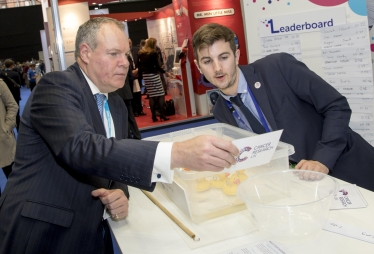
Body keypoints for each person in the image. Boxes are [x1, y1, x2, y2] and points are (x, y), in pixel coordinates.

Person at [0, 18, 239, 254]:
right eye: (114, 54)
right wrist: (178, 153)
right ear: (85, 53)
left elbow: (114, 159)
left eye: (126, 55)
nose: (125, 63)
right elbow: (82, 148)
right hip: (43, 234)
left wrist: (120, 194)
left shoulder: (115, 102)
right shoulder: (57, 86)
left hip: (91, 233)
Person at [192, 23, 374, 192]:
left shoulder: (277, 67)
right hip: (304, 188)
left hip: (350, 170)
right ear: (198, 66)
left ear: (237, 56)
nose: (217, 69)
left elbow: (337, 106)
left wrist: (321, 160)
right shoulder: (221, 112)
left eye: (223, 57)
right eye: (207, 61)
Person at [138, 38, 171, 122]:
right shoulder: (153, 53)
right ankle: (162, 115)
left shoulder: (141, 53)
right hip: (154, 75)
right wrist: (165, 72)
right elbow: (157, 66)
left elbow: (140, 66)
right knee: (161, 94)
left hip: (146, 76)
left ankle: (153, 116)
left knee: (152, 95)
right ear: (153, 44)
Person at [115, 56, 141, 139]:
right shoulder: (125, 62)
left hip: (116, 94)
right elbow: (130, 77)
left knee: (120, 117)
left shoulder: (110, 65)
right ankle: (137, 136)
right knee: (130, 116)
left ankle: (128, 137)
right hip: (126, 93)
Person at [0, 79, 18, 179]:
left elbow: (12, 105)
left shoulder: (0, 83)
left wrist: (7, 127)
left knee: (12, 176)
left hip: (2, 137)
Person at [128, 38, 146, 117]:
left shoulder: (136, 50)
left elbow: (141, 61)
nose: (129, 44)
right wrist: (131, 72)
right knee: (132, 94)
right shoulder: (123, 53)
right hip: (130, 77)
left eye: (130, 43)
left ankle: (140, 110)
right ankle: (134, 110)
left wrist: (138, 70)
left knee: (138, 93)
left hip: (138, 74)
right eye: (128, 43)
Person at [2, 59, 21, 131]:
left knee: (6, 114)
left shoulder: (1, 73)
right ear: (11, 65)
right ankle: (18, 129)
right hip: (15, 95)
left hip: (4, 97)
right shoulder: (15, 74)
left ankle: (9, 131)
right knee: (16, 113)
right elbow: (19, 85)